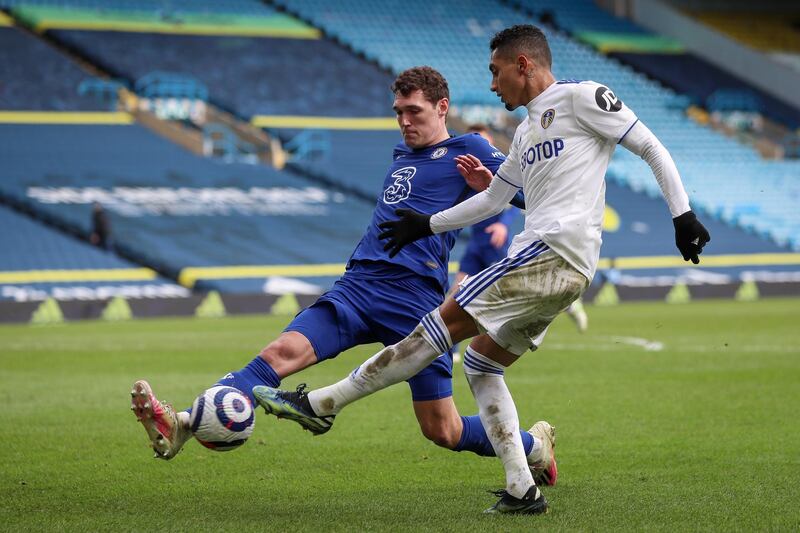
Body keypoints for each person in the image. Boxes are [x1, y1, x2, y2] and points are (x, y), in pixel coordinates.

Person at [253, 25, 710, 515]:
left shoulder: (582, 97)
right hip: (562, 270)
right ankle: (522, 488)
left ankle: (321, 406)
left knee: (436, 328)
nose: (493, 85)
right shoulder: (526, 133)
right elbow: (493, 198)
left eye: (496, 72)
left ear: (523, 65)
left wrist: (681, 216)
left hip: (550, 252)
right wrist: (425, 225)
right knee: (481, 363)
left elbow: (651, 147)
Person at [130, 66, 558, 486]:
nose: (404, 121)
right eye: (398, 113)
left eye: (414, 111)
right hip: (358, 287)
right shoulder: (403, 156)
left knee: (441, 430)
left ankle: (534, 447)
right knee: (279, 354)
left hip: (416, 300)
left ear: (442, 107)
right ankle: (185, 422)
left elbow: (533, 193)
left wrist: (490, 186)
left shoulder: (471, 147)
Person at [450, 124, 517, 362]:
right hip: (476, 243)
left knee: (506, 295)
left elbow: (515, 200)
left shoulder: (499, 168)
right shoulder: (463, 168)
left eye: (485, 142)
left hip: (494, 242)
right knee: (456, 292)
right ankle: (451, 348)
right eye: (476, 141)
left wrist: (503, 224)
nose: (481, 147)